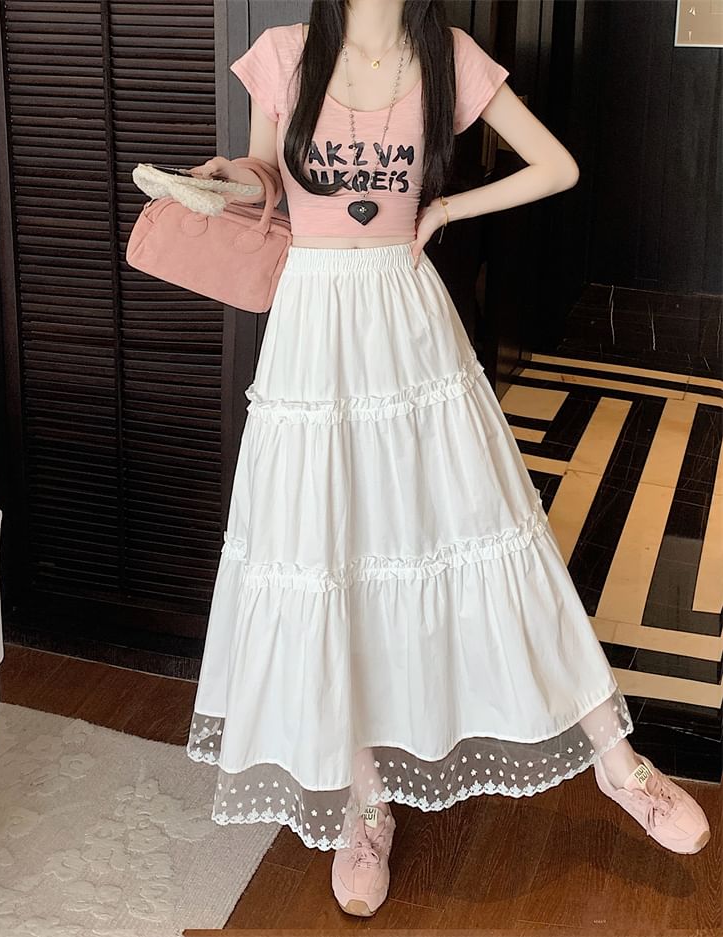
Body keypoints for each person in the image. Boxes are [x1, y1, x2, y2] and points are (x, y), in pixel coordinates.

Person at [185, 0, 711, 918]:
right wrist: (229, 178)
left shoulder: (449, 56)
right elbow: (265, 178)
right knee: (328, 557)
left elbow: (557, 166)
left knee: (494, 537)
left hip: (410, 325)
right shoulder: (283, 55)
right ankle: (363, 807)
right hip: (312, 334)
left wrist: (446, 207)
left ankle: (619, 762)